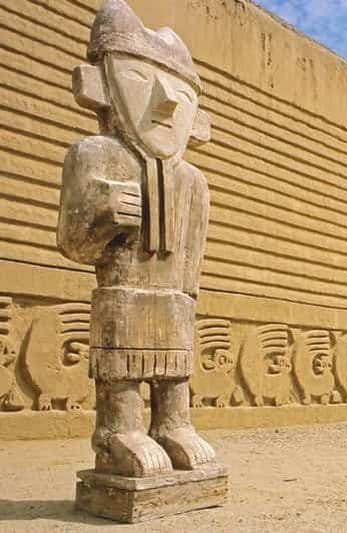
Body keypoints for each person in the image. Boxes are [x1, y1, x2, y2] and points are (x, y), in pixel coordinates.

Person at [57, 0, 216, 477]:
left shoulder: (194, 183)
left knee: (175, 368)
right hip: (122, 297)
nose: (166, 104)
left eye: (182, 97)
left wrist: (186, 298)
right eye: (141, 81)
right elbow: (73, 244)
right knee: (121, 366)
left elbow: (192, 268)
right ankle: (116, 432)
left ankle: (173, 423)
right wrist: (103, 218)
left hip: (173, 302)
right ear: (102, 83)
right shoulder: (93, 155)